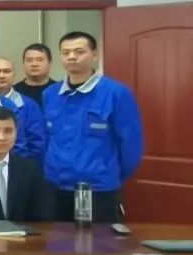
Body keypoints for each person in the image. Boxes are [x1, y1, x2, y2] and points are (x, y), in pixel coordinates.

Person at [44, 31, 143, 223]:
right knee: (57, 240)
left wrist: (110, 174)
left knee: (98, 240)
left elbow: (131, 144)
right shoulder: (50, 94)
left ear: (94, 55)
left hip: (98, 189)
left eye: (79, 51)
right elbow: (47, 140)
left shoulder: (116, 93)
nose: (72, 57)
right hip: (56, 186)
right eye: (65, 52)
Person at [0, 55, 47, 161]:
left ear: (14, 75)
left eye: (6, 71)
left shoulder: (29, 105)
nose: (1, 75)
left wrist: (26, 167)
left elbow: (37, 143)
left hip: (19, 166)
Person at [14, 43, 59, 108]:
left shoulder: (60, 91)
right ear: (23, 63)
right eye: (29, 60)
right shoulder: (14, 92)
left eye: (39, 60)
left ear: (50, 63)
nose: (34, 64)